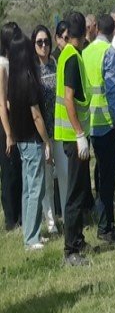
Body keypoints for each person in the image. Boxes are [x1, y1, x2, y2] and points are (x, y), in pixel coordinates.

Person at [5, 25, 53, 250]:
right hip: (33, 140)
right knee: (36, 188)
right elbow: (36, 115)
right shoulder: (28, 79)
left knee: (27, 188)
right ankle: (31, 238)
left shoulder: (12, 79)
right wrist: (46, 140)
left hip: (21, 139)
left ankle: (29, 232)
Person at [82, 14, 115, 244]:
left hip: (89, 122)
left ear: (96, 28)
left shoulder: (86, 52)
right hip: (106, 123)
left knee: (99, 175)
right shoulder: (109, 53)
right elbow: (110, 90)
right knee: (107, 179)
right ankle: (105, 227)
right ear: (113, 31)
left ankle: (103, 220)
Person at [54, 12, 93, 266]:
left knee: (79, 190)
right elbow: (69, 98)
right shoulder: (71, 59)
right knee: (74, 194)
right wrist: (80, 135)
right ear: (86, 33)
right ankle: (70, 251)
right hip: (72, 135)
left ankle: (78, 240)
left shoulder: (69, 54)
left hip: (73, 134)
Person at [33, 25, 62, 234]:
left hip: (59, 129)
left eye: (46, 42)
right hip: (43, 134)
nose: (44, 46)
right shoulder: (32, 71)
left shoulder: (55, 65)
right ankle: (51, 222)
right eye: (39, 42)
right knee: (47, 182)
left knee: (62, 174)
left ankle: (65, 215)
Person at [0, 23, 23, 232]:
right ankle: (11, 218)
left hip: (12, 118)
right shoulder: (3, 64)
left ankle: (17, 214)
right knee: (9, 170)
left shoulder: (10, 62)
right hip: (5, 121)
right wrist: (8, 133)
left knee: (16, 168)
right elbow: (2, 102)